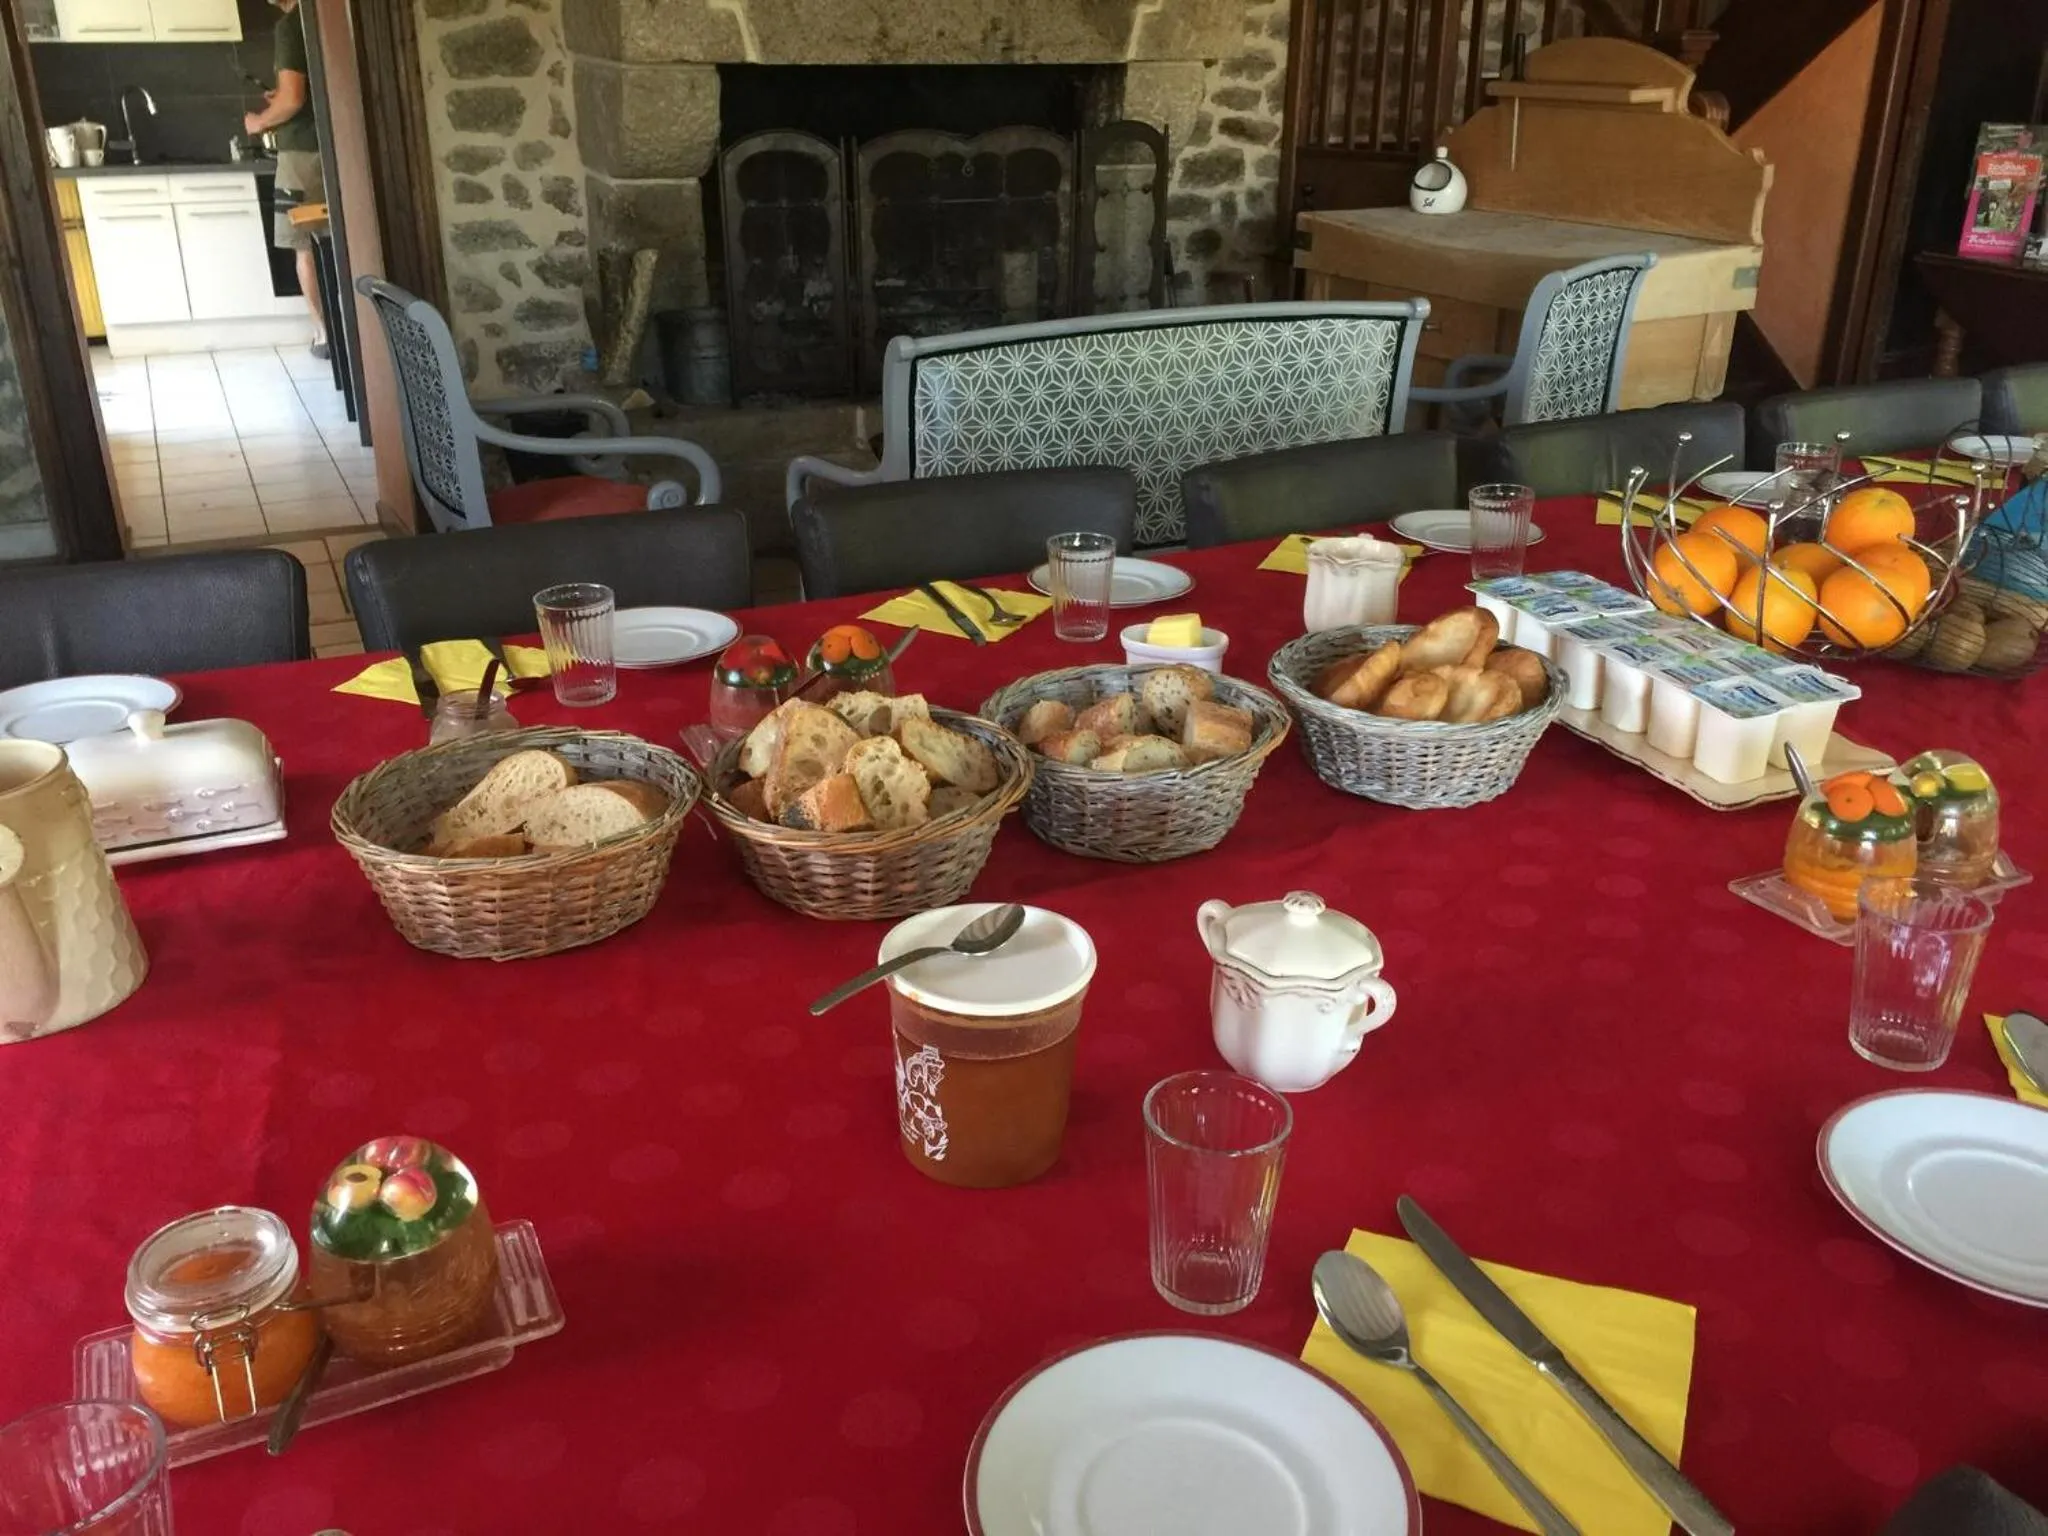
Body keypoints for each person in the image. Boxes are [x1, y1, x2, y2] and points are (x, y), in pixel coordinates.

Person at [244, 0, 327, 359]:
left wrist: (260, 121)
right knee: (330, 243)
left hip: (303, 155)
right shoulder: (321, 18)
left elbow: (293, 99)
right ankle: (349, 328)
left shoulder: (290, 25)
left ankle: (325, 335)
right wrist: (282, 98)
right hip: (329, 146)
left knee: (305, 245)